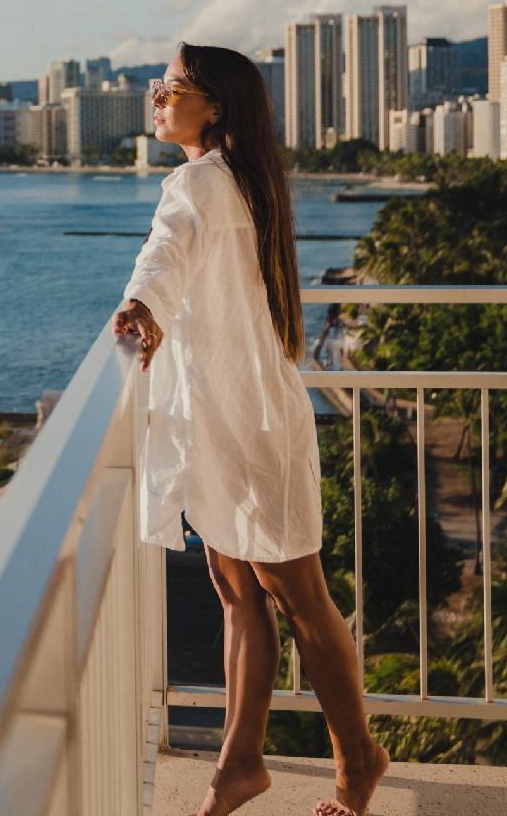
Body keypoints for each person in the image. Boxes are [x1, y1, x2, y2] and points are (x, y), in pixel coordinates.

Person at [112, 41, 389, 816]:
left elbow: (164, 256)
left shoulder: (200, 182)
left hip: (249, 421)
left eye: (171, 89)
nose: (156, 100)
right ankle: (240, 761)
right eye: (157, 88)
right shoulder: (239, 178)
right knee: (237, 587)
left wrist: (140, 308)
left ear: (217, 105)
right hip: (228, 415)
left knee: (298, 593)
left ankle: (357, 760)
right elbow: (177, 262)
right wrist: (151, 310)